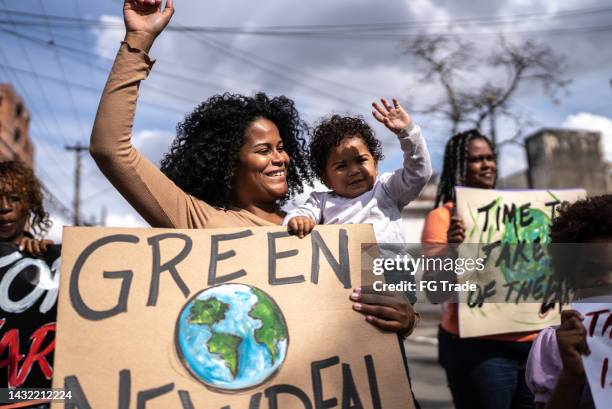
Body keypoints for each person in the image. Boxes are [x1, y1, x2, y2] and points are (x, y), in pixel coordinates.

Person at [90, 0, 417, 340]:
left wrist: (406, 318)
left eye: (281, 148)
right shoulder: (197, 220)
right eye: (263, 150)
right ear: (228, 163)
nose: (281, 159)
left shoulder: (318, 225)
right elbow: (110, 150)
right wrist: (137, 42)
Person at [421, 129, 536, 409]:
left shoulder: (524, 213)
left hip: (535, 346)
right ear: (459, 167)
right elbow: (436, 291)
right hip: (479, 351)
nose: (488, 165)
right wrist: (452, 249)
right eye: (477, 160)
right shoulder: (443, 218)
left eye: (490, 157)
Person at [284, 98, 432, 243]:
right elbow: (301, 214)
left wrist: (408, 133)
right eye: (341, 166)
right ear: (325, 178)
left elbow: (418, 173)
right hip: (344, 267)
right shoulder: (320, 202)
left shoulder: (387, 189)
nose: (354, 171)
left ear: (375, 163)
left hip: (388, 266)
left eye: (361, 161)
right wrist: (298, 220)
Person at [525, 194, 612, 409]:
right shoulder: (555, 345)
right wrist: (571, 375)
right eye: (592, 271)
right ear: (571, 276)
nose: (608, 281)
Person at [0, 160, 58, 409]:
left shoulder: (50, 261)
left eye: (14, 198)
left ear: (30, 204)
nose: (4, 208)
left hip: (39, 400)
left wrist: (44, 258)